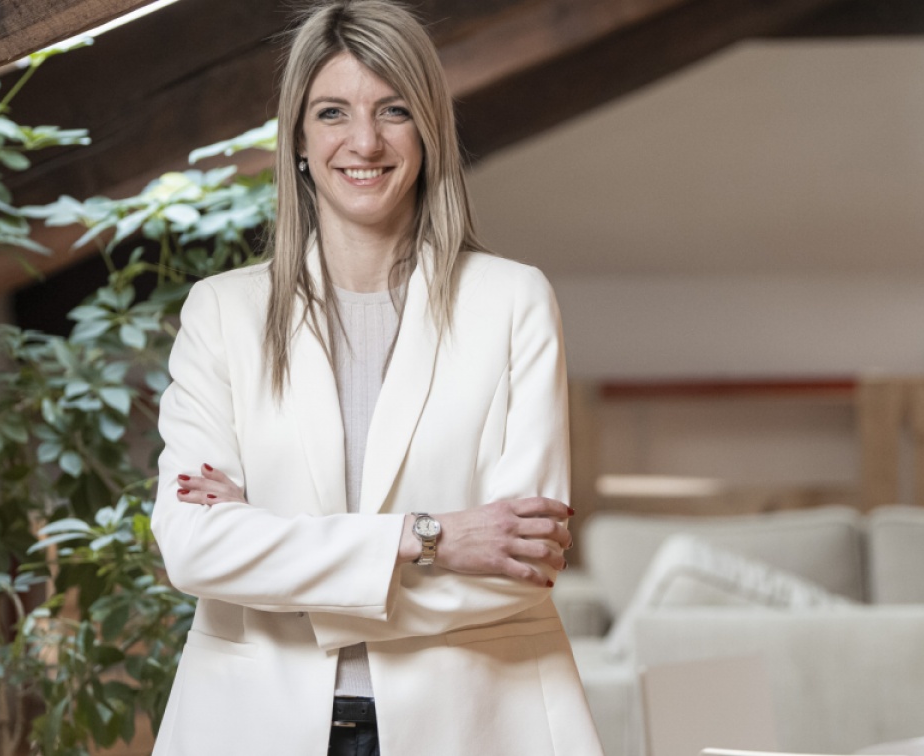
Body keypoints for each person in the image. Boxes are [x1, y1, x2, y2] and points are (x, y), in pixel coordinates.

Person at [149, 2, 604, 754]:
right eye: (332, 112)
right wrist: (433, 538)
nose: (364, 142)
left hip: (472, 723)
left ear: (428, 130)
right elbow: (194, 548)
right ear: (298, 138)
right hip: (251, 725)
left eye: (393, 110)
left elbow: (517, 566)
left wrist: (276, 565)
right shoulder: (222, 313)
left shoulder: (512, 301)